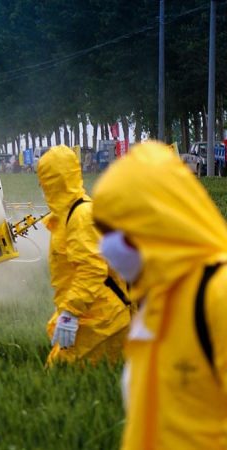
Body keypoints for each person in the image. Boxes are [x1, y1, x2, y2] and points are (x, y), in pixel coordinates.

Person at [92, 141, 227, 449]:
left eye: (116, 232)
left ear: (155, 223)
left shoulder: (218, 293)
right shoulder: (156, 301)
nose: (106, 246)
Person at [37, 145, 131, 366]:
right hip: (91, 313)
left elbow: (92, 269)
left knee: (59, 374)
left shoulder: (81, 216)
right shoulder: (67, 216)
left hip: (102, 319)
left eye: (44, 181)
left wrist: (71, 312)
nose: (41, 187)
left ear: (54, 182)